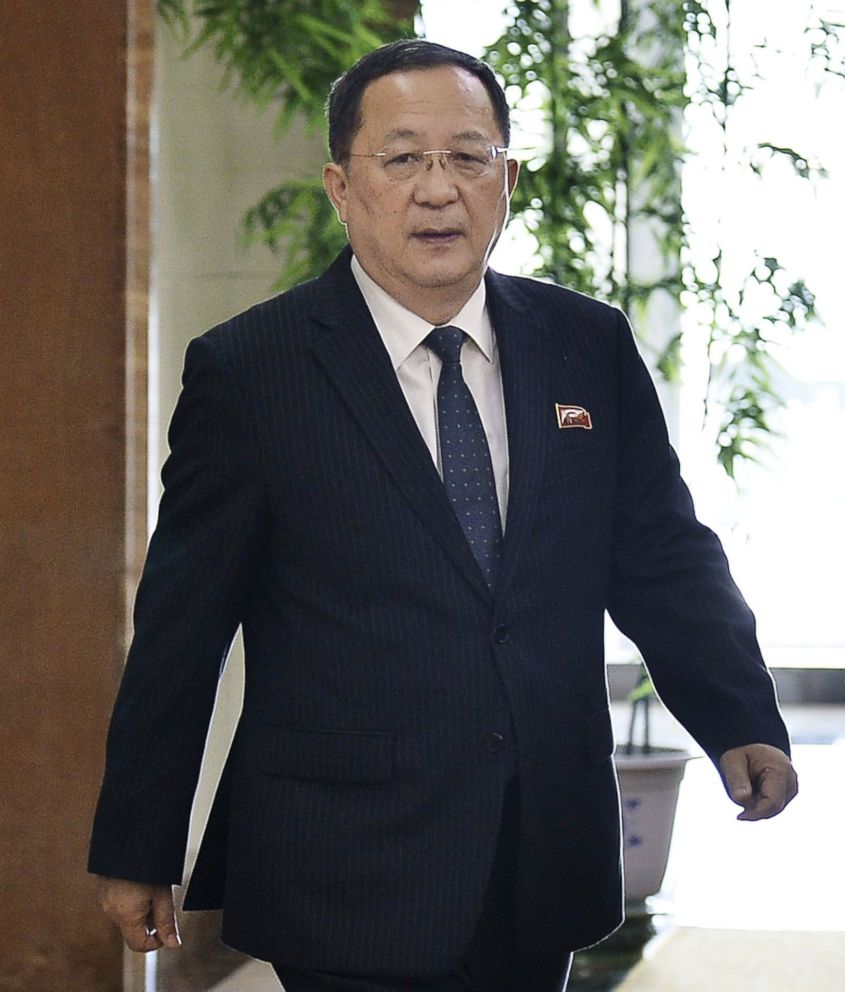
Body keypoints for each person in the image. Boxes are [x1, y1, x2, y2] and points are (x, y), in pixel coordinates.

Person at [90, 39, 798, 992]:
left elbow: (659, 551)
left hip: (539, 840)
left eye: (467, 157)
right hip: (342, 856)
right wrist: (139, 839)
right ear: (342, 187)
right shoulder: (253, 372)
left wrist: (735, 711)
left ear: (505, 180)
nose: (438, 188)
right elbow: (183, 623)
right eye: (403, 157)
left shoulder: (583, 343)